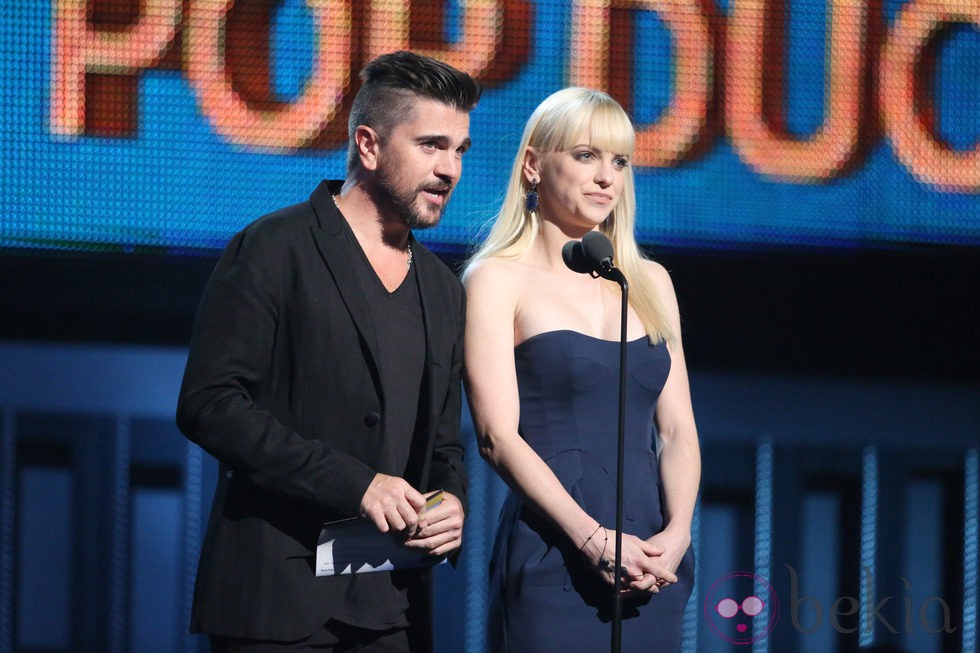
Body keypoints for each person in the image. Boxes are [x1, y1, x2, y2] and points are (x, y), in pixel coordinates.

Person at [176, 51, 481, 652]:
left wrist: (452, 504)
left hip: (392, 609)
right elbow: (209, 403)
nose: (450, 169)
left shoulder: (444, 290)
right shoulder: (275, 247)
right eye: (430, 145)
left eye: (460, 150)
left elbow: (443, 443)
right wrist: (356, 484)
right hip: (276, 599)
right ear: (368, 146)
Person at [462, 87, 701, 651]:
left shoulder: (650, 282)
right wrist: (592, 540)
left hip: (652, 560)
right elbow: (497, 437)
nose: (606, 178)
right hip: (556, 554)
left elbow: (678, 430)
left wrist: (678, 534)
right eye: (586, 155)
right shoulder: (496, 279)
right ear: (533, 166)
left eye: (619, 161)